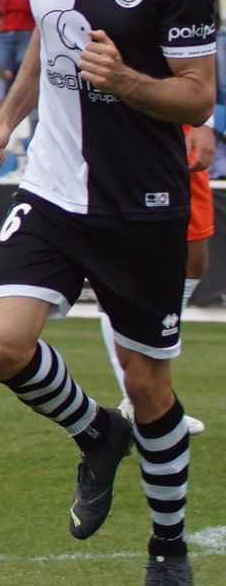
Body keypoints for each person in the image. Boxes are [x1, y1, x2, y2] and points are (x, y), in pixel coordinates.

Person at [0, 0, 218, 586]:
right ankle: (93, 432)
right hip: (52, 185)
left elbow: (197, 98)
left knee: (150, 387)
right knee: (2, 346)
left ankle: (168, 550)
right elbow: (49, 32)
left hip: (140, 202)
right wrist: (8, 119)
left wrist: (127, 81)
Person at [99, 122, 214, 438]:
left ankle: (146, 392)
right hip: (139, 138)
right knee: (124, 276)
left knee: (195, 263)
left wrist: (206, 123)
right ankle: (138, 397)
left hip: (185, 134)